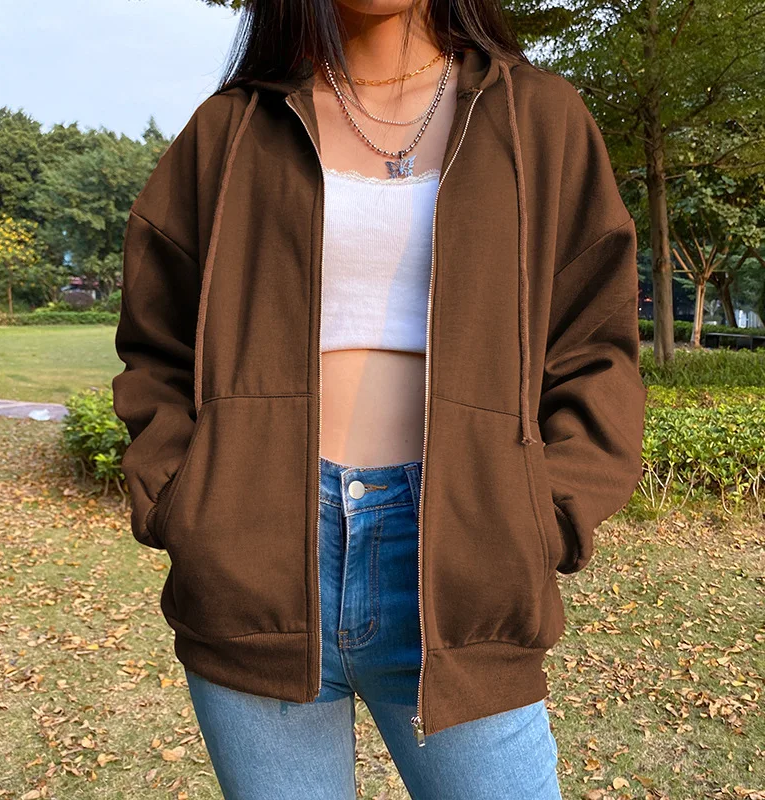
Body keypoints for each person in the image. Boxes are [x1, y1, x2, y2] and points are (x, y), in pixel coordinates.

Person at [112, 0, 647, 797]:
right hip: (251, 562)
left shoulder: (538, 117)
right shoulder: (232, 130)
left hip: (466, 563)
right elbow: (157, 341)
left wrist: (543, 515)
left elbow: (596, 345)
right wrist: (187, 503)